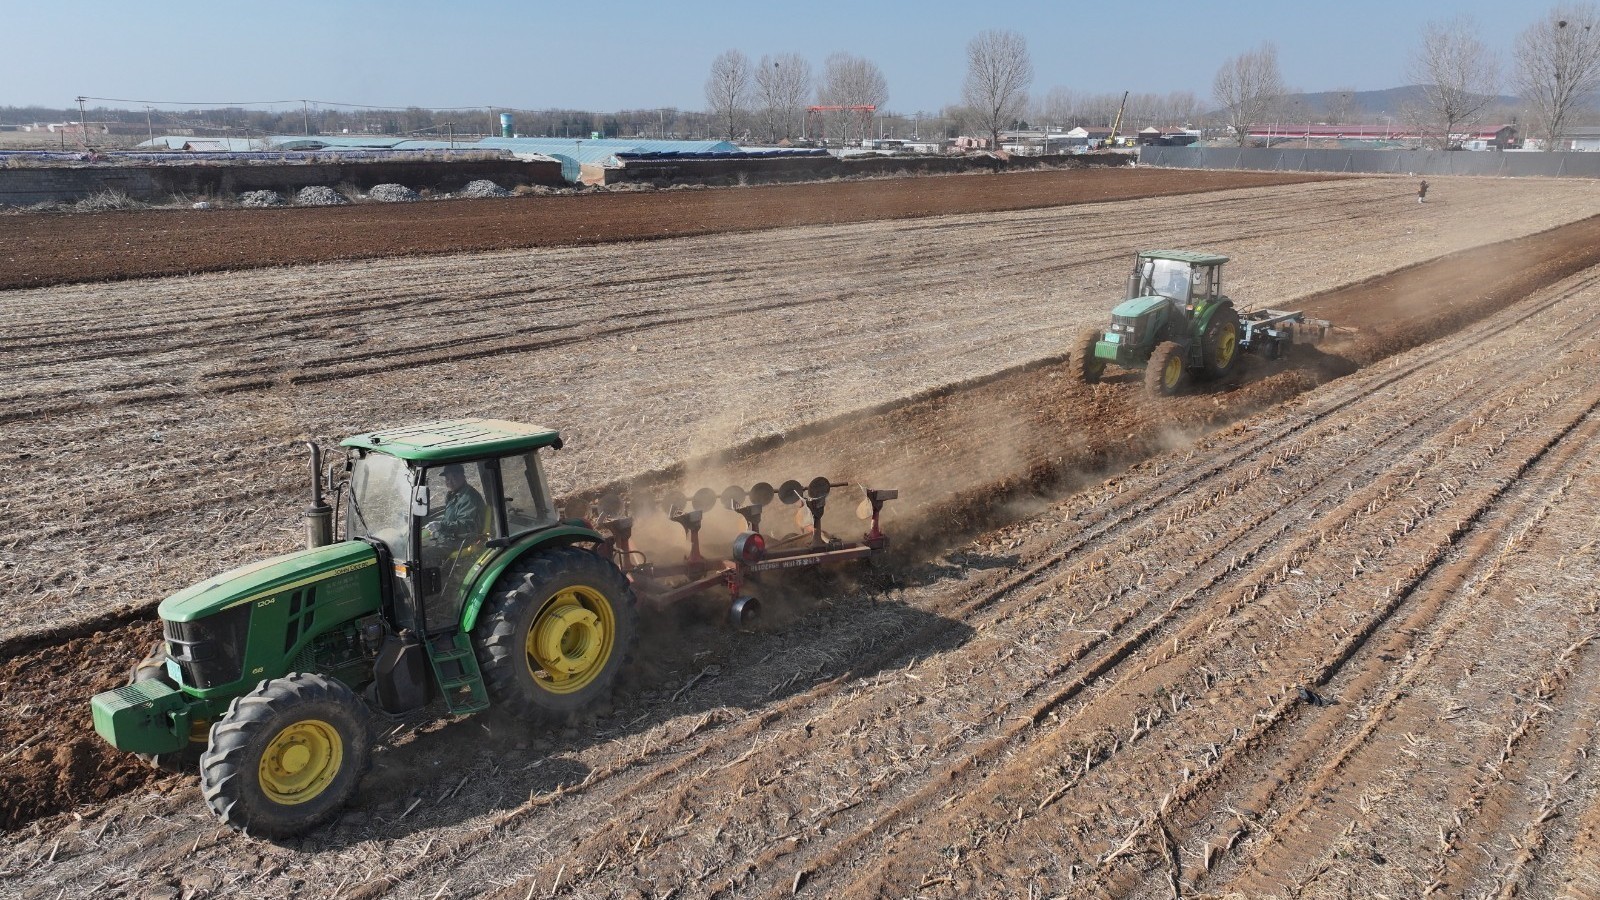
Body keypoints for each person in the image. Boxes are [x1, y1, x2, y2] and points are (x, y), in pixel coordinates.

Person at [429, 464, 486, 541]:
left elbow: (467, 526)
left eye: (454, 477)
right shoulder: (454, 495)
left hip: (462, 540)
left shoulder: (469, 497)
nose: (450, 482)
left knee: (424, 552)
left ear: (463, 476)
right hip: (450, 537)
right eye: (447, 478)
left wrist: (442, 526)